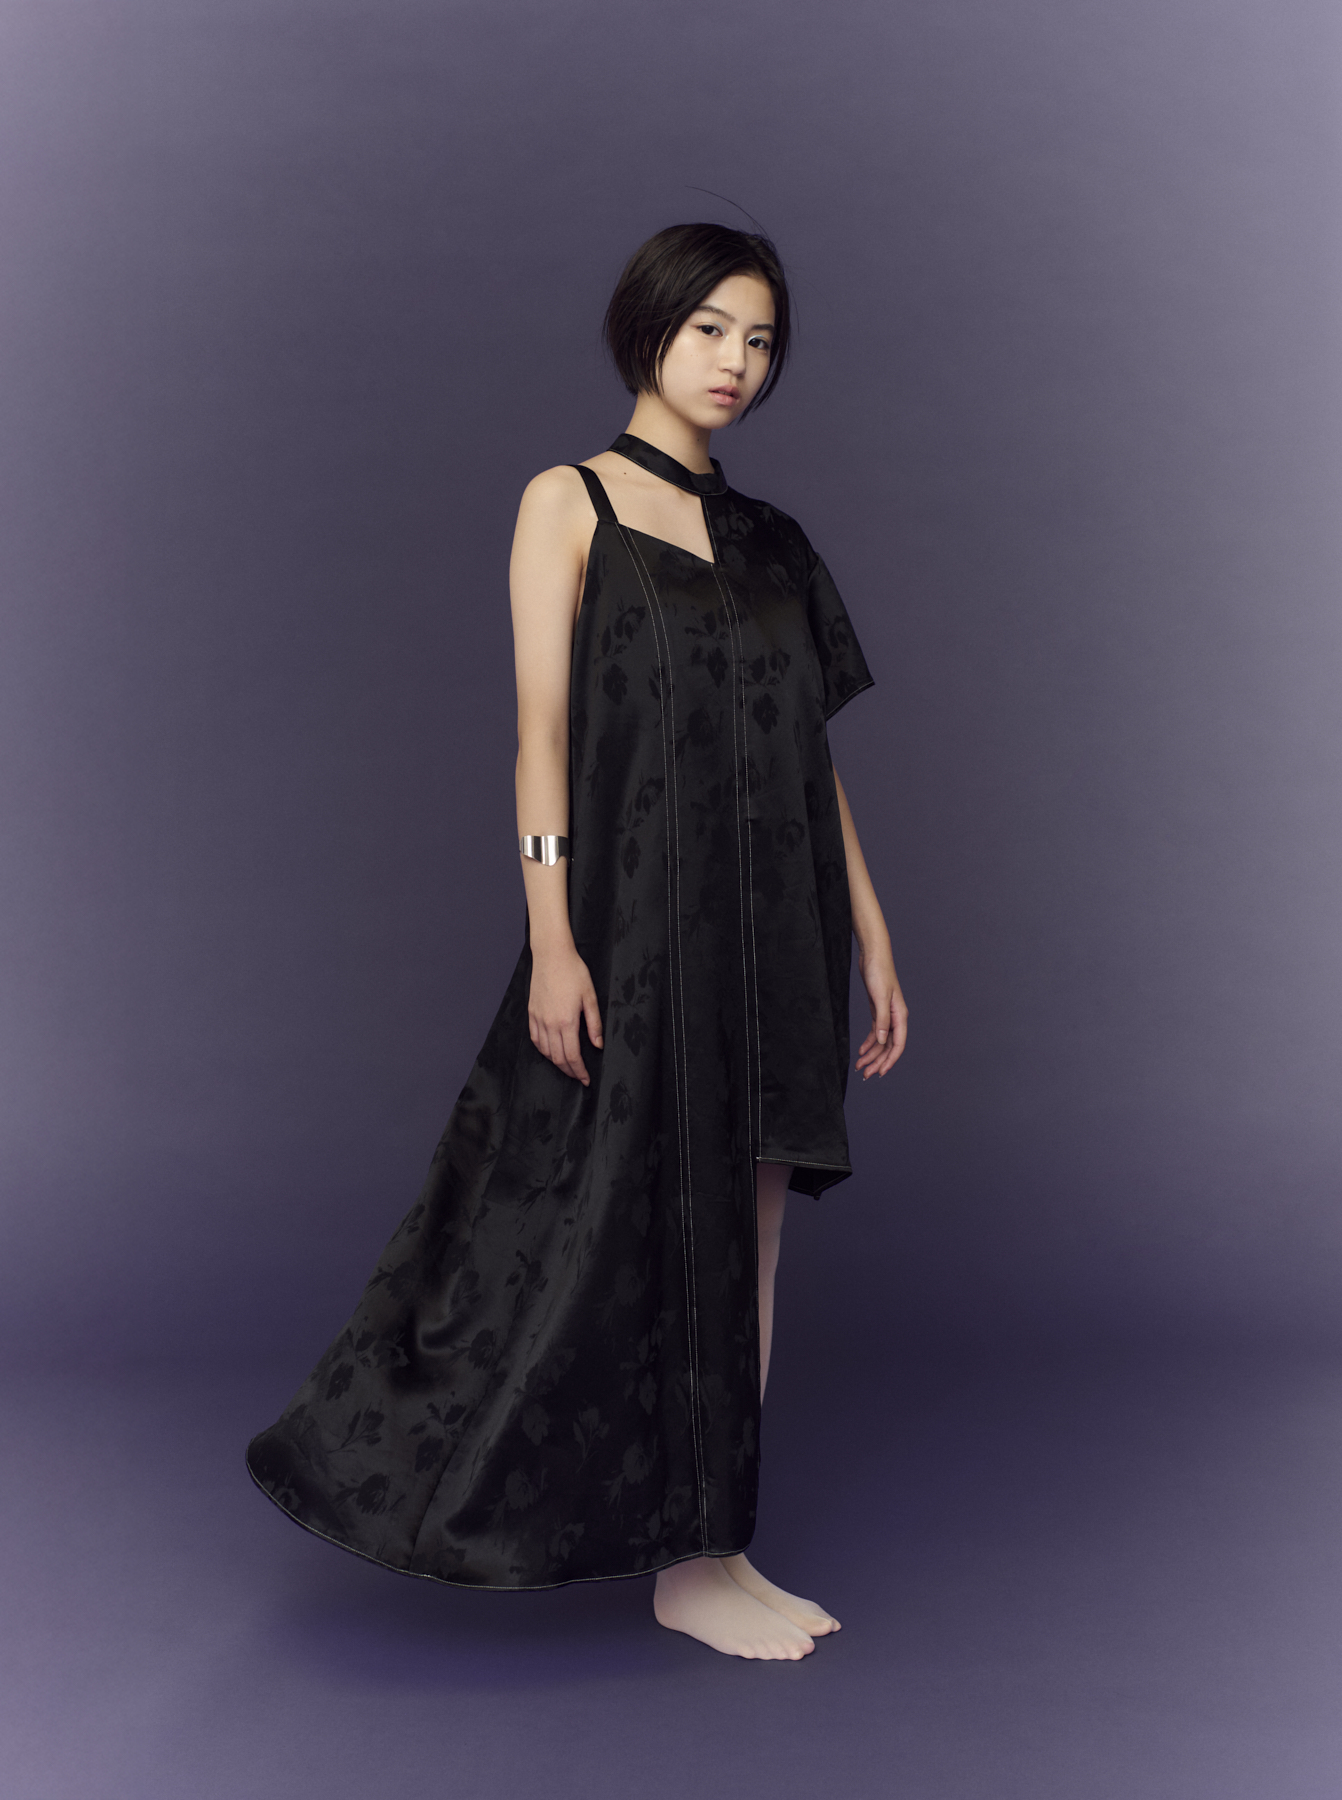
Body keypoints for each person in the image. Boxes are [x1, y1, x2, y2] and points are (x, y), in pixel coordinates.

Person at [246, 222, 907, 1663]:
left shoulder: (776, 542)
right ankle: (644, 1546)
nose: (736, 361)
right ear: (647, 327)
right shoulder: (571, 501)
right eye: (711, 328)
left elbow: (809, 751)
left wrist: (869, 927)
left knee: (752, 1242)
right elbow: (539, 737)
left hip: (778, 929)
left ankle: (716, 1549)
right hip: (638, 930)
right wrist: (551, 935)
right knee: (605, 1224)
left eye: (760, 340)